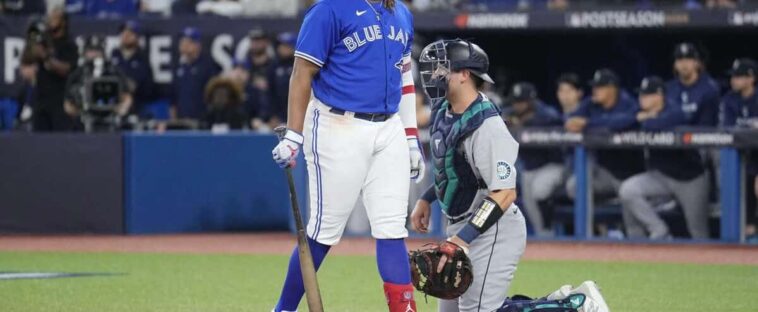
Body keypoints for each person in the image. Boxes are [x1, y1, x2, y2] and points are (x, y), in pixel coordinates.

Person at [410, 38, 608, 312]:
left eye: (444, 69)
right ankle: (554, 302)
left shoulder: (487, 125)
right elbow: (455, 170)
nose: (435, 75)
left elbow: (504, 192)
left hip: (493, 230)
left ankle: (576, 306)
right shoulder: (445, 111)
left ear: (465, 74)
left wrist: (463, 238)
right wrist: (426, 198)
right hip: (462, 225)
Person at [269, 0, 422, 311]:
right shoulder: (329, 9)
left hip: (389, 125)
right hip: (336, 124)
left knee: (392, 228)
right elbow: (301, 73)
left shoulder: (400, 13)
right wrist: (293, 136)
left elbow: (404, 79)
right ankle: (283, 309)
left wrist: (410, 137)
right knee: (323, 232)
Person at [618, 76, 709, 239]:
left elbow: (654, 125)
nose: (642, 99)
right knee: (628, 190)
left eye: (647, 95)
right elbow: (617, 123)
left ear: (659, 96)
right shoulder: (641, 113)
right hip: (660, 177)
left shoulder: (675, 111)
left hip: (689, 179)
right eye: (641, 95)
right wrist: (637, 118)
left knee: (698, 232)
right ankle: (659, 230)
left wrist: (644, 119)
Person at [564, 69, 644, 199]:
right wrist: (579, 123)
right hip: (604, 172)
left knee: (630, 199)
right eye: (594, 87)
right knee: (575, 185)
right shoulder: (591, 103)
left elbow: (625, 122)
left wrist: (588, 124)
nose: (595, 90)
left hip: (629, 174)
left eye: (599, 87)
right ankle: (594, 219)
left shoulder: (628, 103)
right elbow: (571, 120)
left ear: (612, 89)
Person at [502, 82, 564, 237]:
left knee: (540, 189)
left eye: (522, 102)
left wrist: (523, 124)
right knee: (531, 207)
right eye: (516, 102)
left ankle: (550, 233)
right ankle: (544, 237)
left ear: (531, 101)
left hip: (553, 165)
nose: (518, 105)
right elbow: (499, 115)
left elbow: (555, 120)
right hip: (529, 169)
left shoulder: (545, 113)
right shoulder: (512, 113)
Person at [720, 58, 758, 241]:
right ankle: (746, 228)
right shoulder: (729, 99)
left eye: (739, 76)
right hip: (740, 157)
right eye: (733, 76)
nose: (733, 80)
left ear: (751, 78)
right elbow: (726, 128)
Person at [24, 8, 78, 131]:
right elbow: (27, 60)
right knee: (38, 140)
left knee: (59, 140)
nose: (49, 20)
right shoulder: (44, 40)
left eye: (54, 18)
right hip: (41, 98)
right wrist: (32, 45)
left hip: (60, 100)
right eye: (49, 17)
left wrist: (47, 57)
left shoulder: (69, 45)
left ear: (63, 22)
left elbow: (67, 69)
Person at [63, 35, 132, 131]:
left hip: (110, 117)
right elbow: (67, 104)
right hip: (85, 119)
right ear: (85, 52)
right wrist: (79, 114)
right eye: (90, 51)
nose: (94, 54)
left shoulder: (113, 71)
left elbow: (127, 96)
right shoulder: (78, 73)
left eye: (97, 50)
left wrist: (121, 110)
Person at [170, 26, 220, 121]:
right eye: (182, 42)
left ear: (197, 45)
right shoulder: (178, 67)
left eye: (188, 42)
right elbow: (173, 99)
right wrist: (174, 120)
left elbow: (213, 97)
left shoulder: (208, 66)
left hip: (203, 121)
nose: (183, 45)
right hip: (182, 121)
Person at [665, 42, 720, 127]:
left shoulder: (710, 88)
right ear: (675, 65)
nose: (684, 64)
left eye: (688, 59)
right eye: (680, 60)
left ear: (697, 63)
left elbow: (707, 125)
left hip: (702, 137)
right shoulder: (668, 89)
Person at [111, 20, 156, 118]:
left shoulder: (142, 58)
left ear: (137, 37)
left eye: (130, 33)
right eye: (123, 32)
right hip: (114, 105)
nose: (125, 35)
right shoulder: (114, 55)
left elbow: (142, 86)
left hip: (137, 107)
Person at [267, 32, 297, 129]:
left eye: (287, 45)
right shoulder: (273, 66)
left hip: (297, 113)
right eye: (281, 45)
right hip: (278, 116)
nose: (283, 48)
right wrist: (272, 115)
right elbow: (270, 92)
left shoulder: (300, 66)